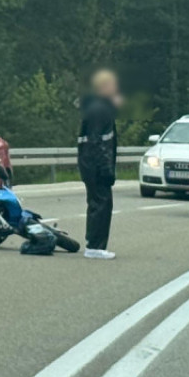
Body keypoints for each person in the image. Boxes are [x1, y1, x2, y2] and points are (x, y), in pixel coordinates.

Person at [77, 69, 121, 260]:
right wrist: (106, 169)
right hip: (96, 166)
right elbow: (98, 142)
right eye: (112, 85)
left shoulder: (95, 107)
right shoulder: (101, 109)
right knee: (101, 205)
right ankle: (95, 246)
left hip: (89, 164)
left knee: (97, 203)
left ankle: (94, 244)